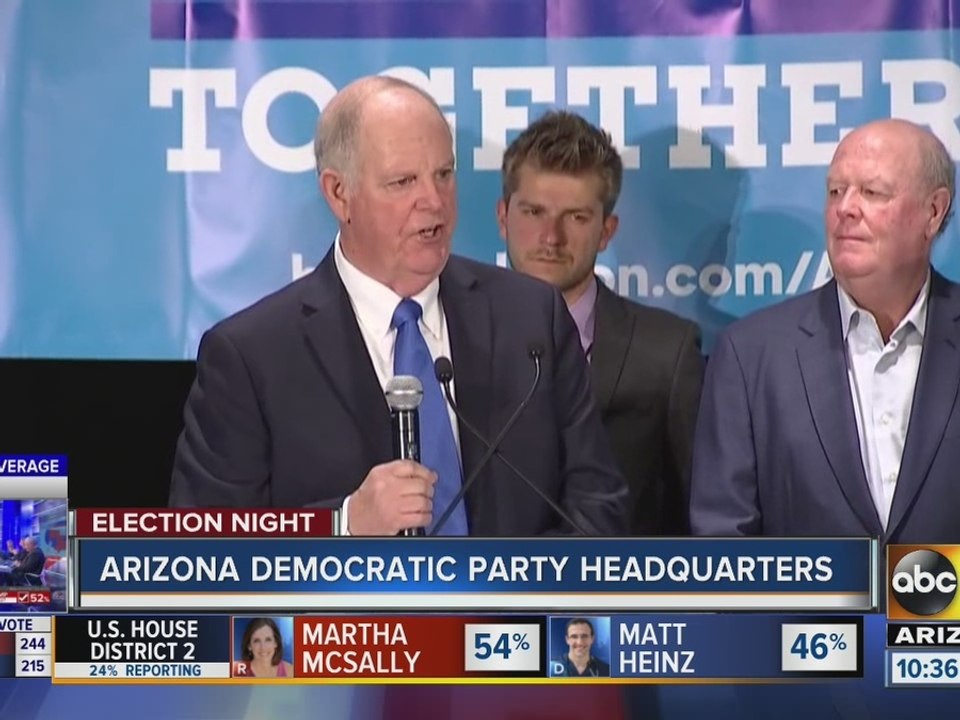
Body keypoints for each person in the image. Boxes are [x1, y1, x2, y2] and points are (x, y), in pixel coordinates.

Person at [169, 76, 627, 537]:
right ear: (339, 193)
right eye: (403, 181)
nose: (433, 202)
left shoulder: (531, 319)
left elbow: (598, 506)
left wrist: (507, 598)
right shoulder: (253, 356)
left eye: (443, 175)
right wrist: (342, 524)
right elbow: (205, 549)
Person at [691, 119, 959, 543]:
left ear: (933, 211)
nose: (845, 208)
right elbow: (724, 541)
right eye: (836, 191)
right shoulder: (751, 354)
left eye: (872, 192)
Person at [498, 110, 704, 534]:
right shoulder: (446, 338)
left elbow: (702, 513)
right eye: (533, 212)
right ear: (503, 217)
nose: (551, 237)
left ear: (606, 230)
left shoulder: (667, 353)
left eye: (576, 217)